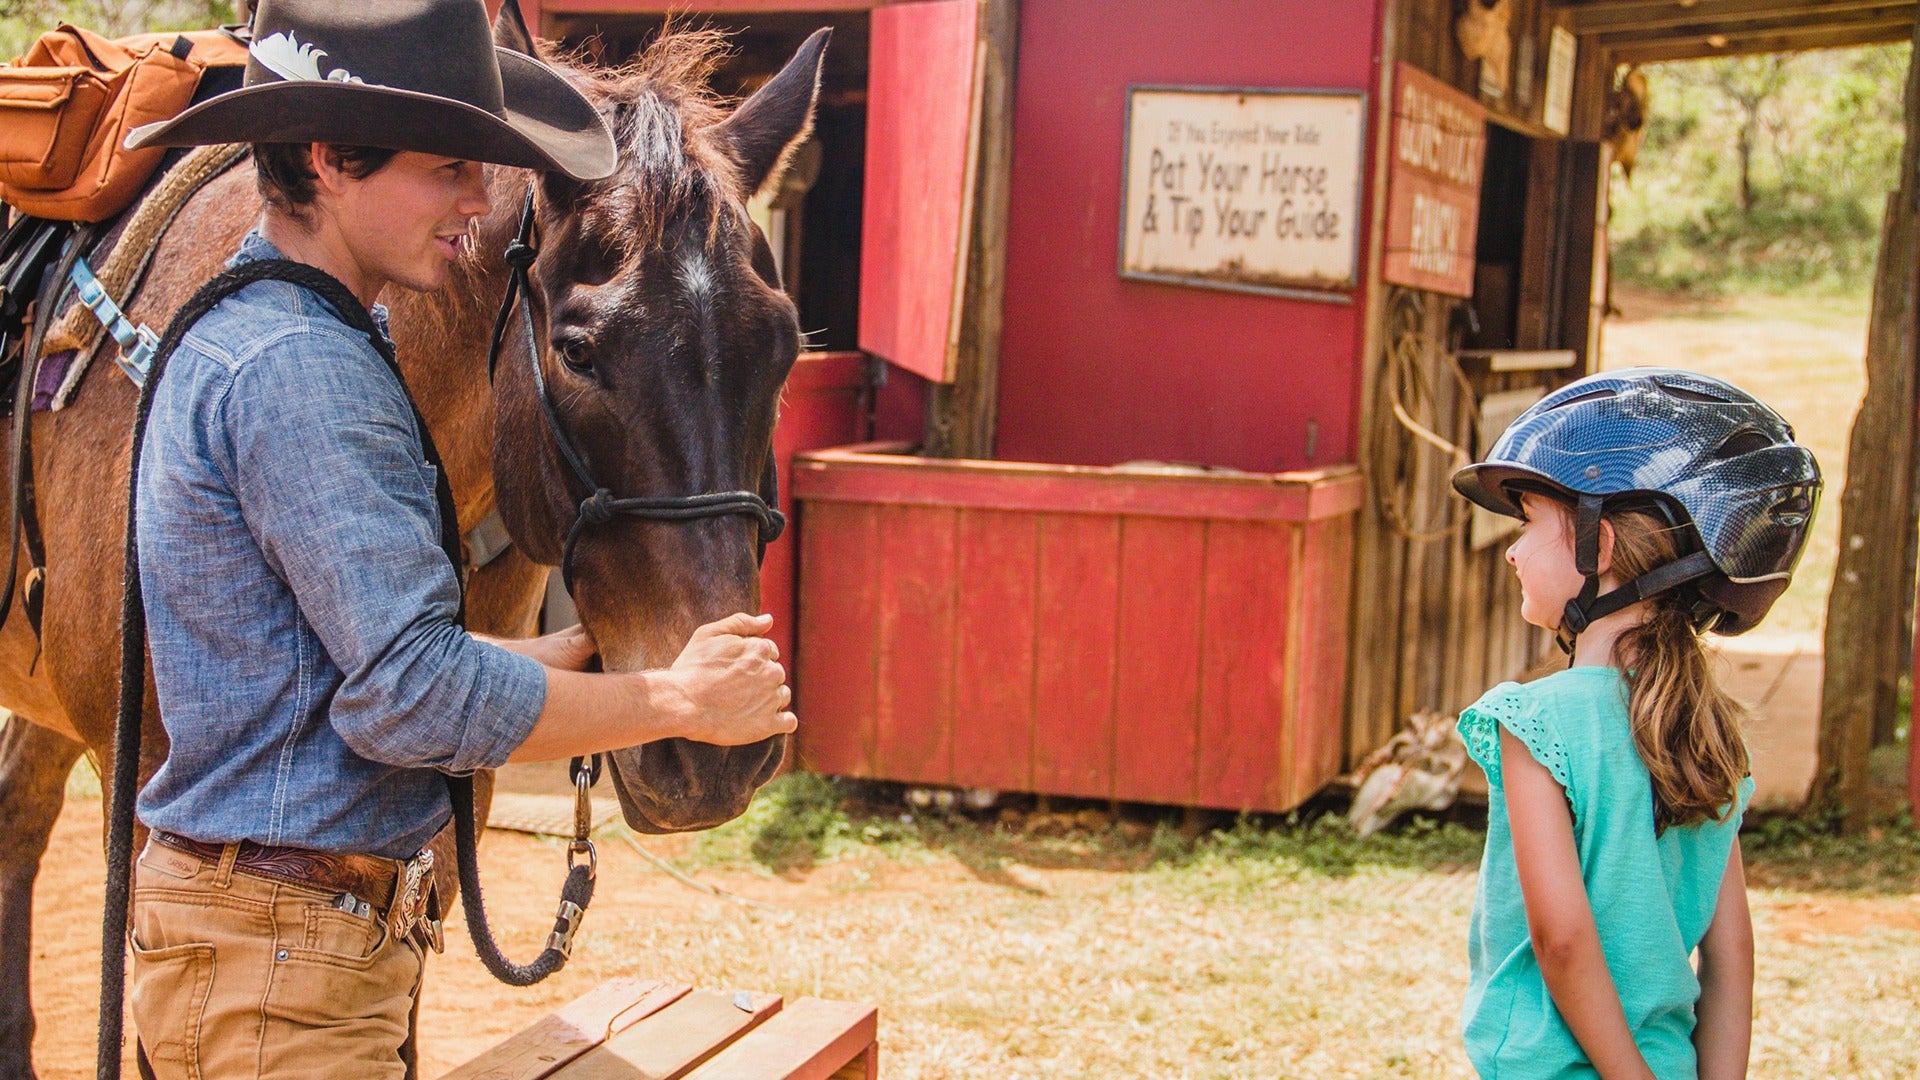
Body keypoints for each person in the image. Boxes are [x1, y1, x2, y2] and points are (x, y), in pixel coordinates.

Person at [115, 1, 796, 1076]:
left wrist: (575, 655)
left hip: (286, 951)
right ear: (334, 160)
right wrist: (671, 702)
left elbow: (331, 672)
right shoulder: (303, 373)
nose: (481, 204)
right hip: (281, 974)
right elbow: (410, 697)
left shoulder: (288, 335)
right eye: (449, 168)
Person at [1449, 368, 1822, 1080]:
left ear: (1602, 546)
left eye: (1529, 523)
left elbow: (1561, 940)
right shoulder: (1706, 732)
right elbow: (1730, 955)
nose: (1513, 550)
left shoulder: (1534, 722)